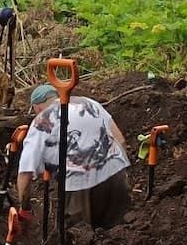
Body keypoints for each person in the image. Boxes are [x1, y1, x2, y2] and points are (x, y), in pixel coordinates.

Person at [16, 86, 132, 230]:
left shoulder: (43, 120)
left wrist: (25, 209)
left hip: (80, 183)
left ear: (37, 108)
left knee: (79, 237)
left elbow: (25, 173)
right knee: (117, 236)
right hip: (116, 174)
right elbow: (120, 140)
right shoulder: (90, 103)